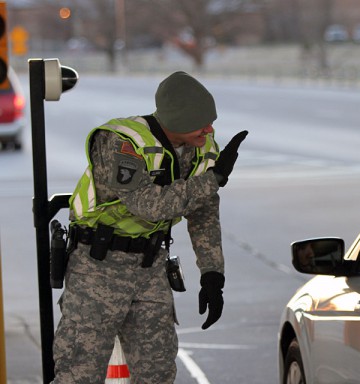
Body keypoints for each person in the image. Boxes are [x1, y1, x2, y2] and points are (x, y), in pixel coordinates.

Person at [51, 71, 248, 383]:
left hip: (150, 267)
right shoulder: (121, 143)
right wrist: (214, 179)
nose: (210, 129)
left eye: (212, 121)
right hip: (97, 268)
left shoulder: (204, 148)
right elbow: (147, 205)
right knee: (79, 373)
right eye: (201, 122)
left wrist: (212, 274)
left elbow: (204, 212)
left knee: (157, 373)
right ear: (177, 120)